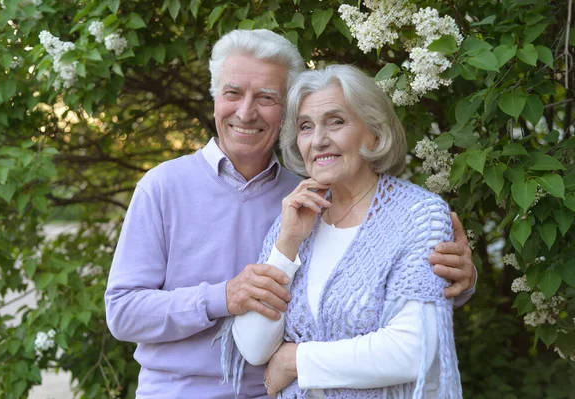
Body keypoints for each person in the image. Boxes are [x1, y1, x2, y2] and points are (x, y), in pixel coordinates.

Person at [105, 29, 473, 398]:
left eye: (266, 97)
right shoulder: (163, 187)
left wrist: (455, 280)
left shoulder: (306, 195)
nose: (246, 112)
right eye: (233, 93)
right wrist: (224, 296)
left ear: (284, 112)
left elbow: (388, 297)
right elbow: (122, 312)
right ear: (215, 98)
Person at [220, 65, 462, 398]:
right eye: (306, 127)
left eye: (336, 122)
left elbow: (411, 350)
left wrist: (296, 361)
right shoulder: (294, 219)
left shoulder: (418, 215)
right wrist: (286, 246)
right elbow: (254, 347)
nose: (318, 140)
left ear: (373, 132)